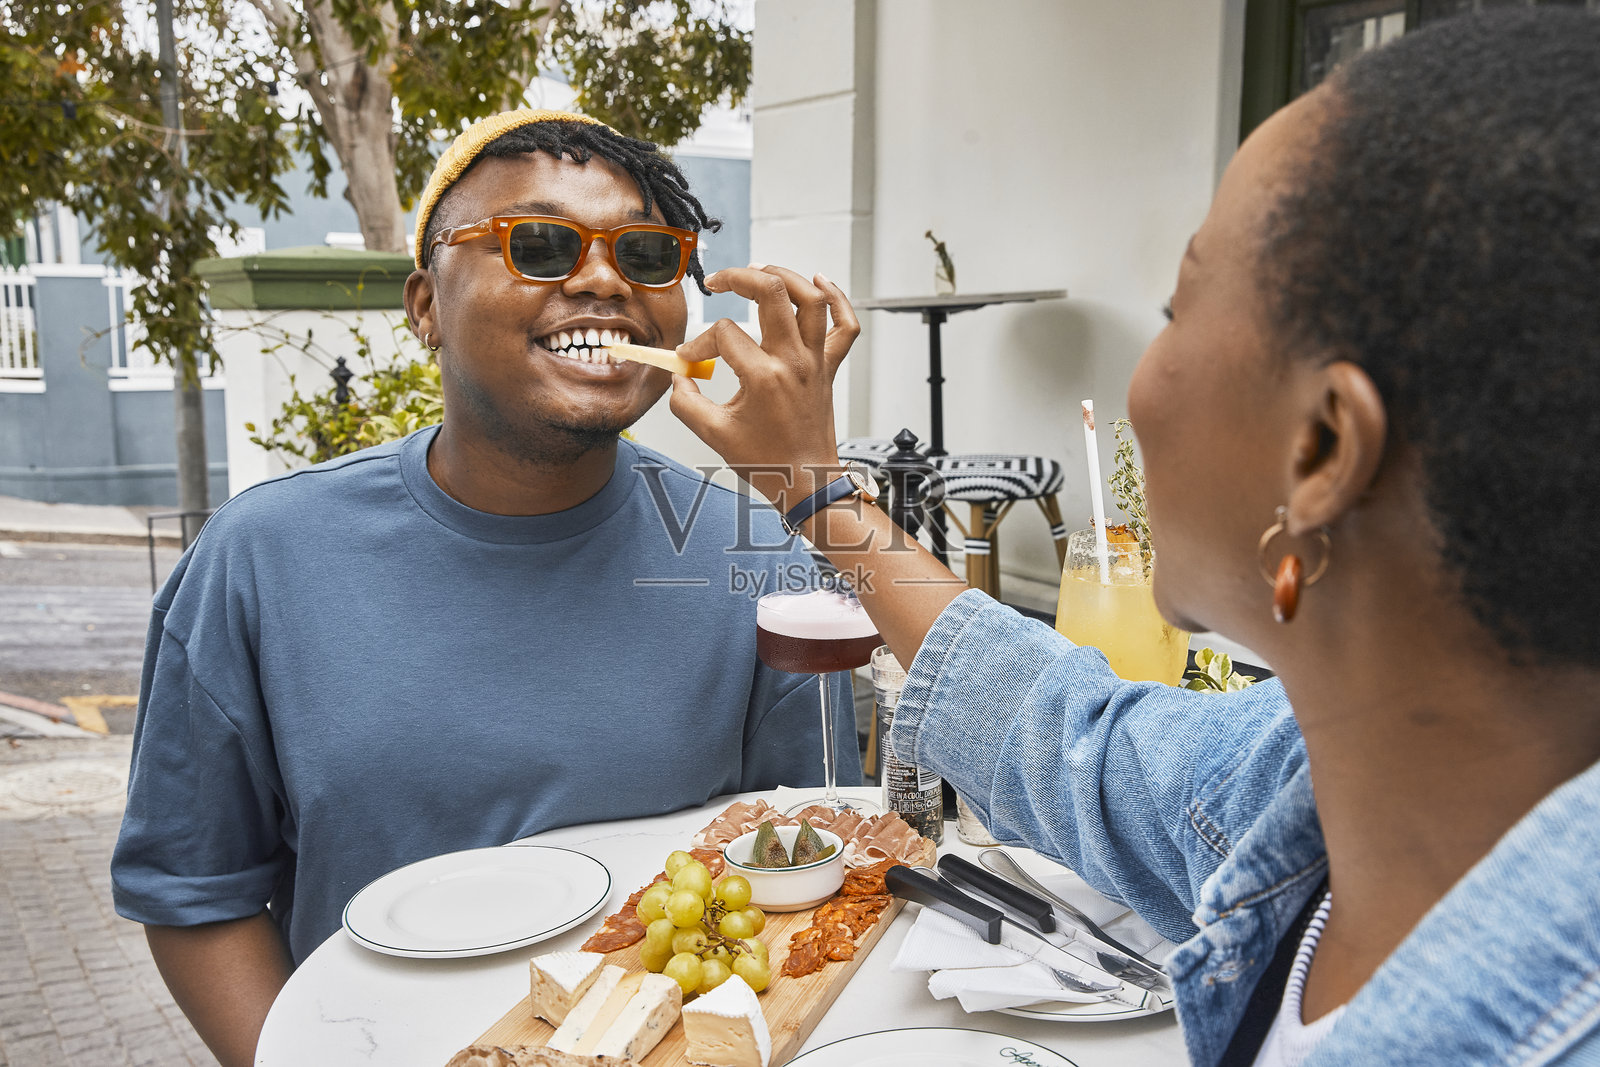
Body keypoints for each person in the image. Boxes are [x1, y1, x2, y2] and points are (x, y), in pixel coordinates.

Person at [669, 11, 1600, 1065]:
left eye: (1176, 303)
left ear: (1322, 446)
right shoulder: (1316, 777)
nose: (1141, 375)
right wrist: (814, 489)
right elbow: (1071, 738)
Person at [111, 108, 862, 1067]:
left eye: (646, 253)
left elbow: (803, 874)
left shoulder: (760, 561)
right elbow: (195, 892)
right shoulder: (260, 558)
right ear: (425, 304)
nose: (601, 278)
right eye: (541, 244)